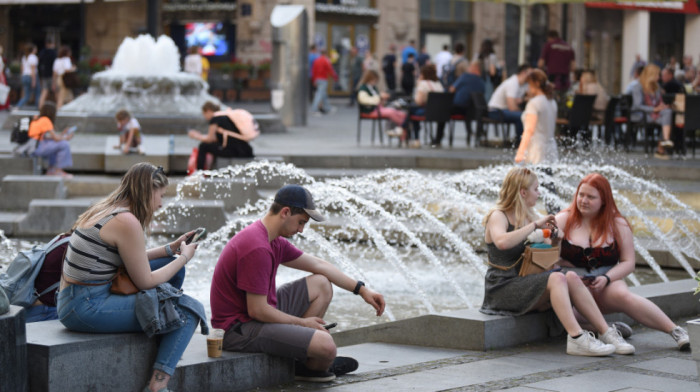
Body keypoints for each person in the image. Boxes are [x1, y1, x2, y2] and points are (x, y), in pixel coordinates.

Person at [210, 184, 386, 381]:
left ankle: (307, 359)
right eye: (301, 222)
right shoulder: (257, 247)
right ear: (285, 212)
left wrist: (361, 290)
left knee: (321, 284)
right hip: (238, 330)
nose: (301, 230)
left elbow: (319, 265)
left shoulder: (272, 239)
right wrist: (303, 324)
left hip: (256, 314)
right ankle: (313, 364)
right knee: (327, 346)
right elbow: (257, 311)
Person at [57, 162, 206, 392]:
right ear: (147, 192)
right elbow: (145, 281)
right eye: (160, 195)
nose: (160, 203)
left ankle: (160, 328)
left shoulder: (108, 209)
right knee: (187, 311)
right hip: (86, 307)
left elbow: (130, 257)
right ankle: (158, 385)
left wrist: (171, 250)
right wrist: (184, 257)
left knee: (171, 265)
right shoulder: (127, 222)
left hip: (73, 297)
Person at [481, 167, 633, 357]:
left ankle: (606, 332)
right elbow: (502, 242)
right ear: (523, 192)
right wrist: (535, 226)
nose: (539, 193)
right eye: (536, 189)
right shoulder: (499, 215)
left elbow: (549, 259)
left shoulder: (529, 216)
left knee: (569, 276)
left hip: (525, 283)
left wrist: (556, 240)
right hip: (502, 288)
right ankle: (577, 338)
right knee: (556, 278)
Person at [555, 173, 690, 351]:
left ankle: (676, 331)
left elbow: (628, 262)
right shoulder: (563, 220)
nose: (583, 201)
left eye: (591, 197)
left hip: (607, 282)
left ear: (604, 200)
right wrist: (560, 262)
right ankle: (607, 329)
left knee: (623, 295)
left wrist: (606, 278)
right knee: (565, 316)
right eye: (581, 195)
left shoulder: (617, 223)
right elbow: (547, 260)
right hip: (574, 287)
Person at [188, 101, 256, 171]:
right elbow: (215, 139)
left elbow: (210, 139)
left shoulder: (215, 118)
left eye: (204, 114)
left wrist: (195, 136)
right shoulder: (224, 116)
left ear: (208, 111)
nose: (204, 117)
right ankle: (211, 172)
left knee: (203, 146)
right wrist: (201, 136)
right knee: (211, 146)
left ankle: (199, 172)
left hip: (235, 151)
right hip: (245, 150)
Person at [436, 61, 484, 147]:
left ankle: (438, 139)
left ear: (475, 68)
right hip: (474, 111)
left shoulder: (465, 76)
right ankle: (474, 136)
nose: (468, 68)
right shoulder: (482, 82)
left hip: (459, 107)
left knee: (442, 111)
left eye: (470, 66)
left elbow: (452, 89)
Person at [629, 64, 673, 159]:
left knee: (668, 113)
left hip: (654, 113)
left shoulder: (656, 87)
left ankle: (665, 140)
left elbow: (659, 101)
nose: (659, 77)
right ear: (651, 75)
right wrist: (654, 109)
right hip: (642, 114)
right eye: (657, 75)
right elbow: (638, 105)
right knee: (666, 120)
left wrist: (663, 106)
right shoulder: (638, 87)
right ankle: (661, 148)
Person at [514, 69, 558, 164]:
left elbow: (529, 129)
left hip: (537, 152)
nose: (528, 88)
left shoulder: (534, 103)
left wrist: (520, 151)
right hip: (551, 151)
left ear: (536, 84)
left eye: (529, 84)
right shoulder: (552, 102)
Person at [356, 69, 408, 140]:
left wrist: (383, 98)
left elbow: (377, 99)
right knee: (392, 112)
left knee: (402, 114)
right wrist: (379, 97)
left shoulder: (373, 88)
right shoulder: (363, 89)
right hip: (370, 110)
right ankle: (404, 128)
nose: (375, 82)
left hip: (379, 108)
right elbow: (364, 100)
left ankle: (403, 130)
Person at [488, 64, 531, 147]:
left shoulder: (523, 85)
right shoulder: (513, 83)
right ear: (523, 73)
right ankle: (521, 143)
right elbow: (511, 106)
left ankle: (523, 141)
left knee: (525, 115)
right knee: (522, 116)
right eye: (531, 73)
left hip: (503, 110)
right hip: (496, 111)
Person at [28, 102, 74, 178]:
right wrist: (67, 138)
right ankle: (58, 171)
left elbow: (49, 137)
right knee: (64, 144)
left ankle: (51, 170)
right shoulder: (46, 120)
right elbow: (56, 138)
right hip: (36, 148)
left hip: (32, 147)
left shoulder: (37, 119)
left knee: (53, 143)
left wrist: (62, 134)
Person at [408, 64, 444, 148]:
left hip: (427, 112)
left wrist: (418, 84)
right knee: (412, 110)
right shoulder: (438, 84)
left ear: (423, 74)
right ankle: (437, 139)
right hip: (440, 113)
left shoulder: (423, 83)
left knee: (411, 110)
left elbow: (418, 101)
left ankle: (416, 139)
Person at [538, 30, 575, 96]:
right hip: (564, 78)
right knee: (563, 97)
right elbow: (573, 66)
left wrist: (542, 71)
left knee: (551, 95)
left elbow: (541, 63)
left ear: (549, 37)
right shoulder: (568, 46)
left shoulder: (549, 45)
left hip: (552, 76)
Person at [310, 49, 338, 116]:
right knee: (319, 94)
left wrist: (314, 80)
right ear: (326, 54)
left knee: (323, 94)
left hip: (317, 79)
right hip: (323, 78)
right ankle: (314, 109)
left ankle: (328, 108)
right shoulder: (326, 60)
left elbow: (313, 70)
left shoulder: (316, 60)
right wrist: (335, 77)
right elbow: (330, 69)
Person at [16, 43, 40, 109]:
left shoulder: (25, 57)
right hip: (31, 76)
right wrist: (34, 80)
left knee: (26, 95)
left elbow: (22, 68)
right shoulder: (33, 57)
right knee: (37, 92)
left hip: (24, 76)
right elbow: (33, 70)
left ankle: (18, 106)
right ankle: (38, 107)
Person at [53, 45, 76, 110]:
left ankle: (71, 109)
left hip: (59, 78)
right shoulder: (66, 59)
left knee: (69, 95)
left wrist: (54, 82)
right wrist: (73, 68)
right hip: (65, 78)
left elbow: (54, 72)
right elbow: (67, 70)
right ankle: (58, 109)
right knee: (62, 95)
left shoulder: (57, 60)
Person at [38, 39, 57, 109]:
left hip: (44, 75)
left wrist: (40, 74)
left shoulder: (42, 53)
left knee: (44, 91)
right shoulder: (53, 53)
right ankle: (58, 106)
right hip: (52, 75)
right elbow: (55, 65)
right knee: (56, 91)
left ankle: (40, 106)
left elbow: (39, 65)